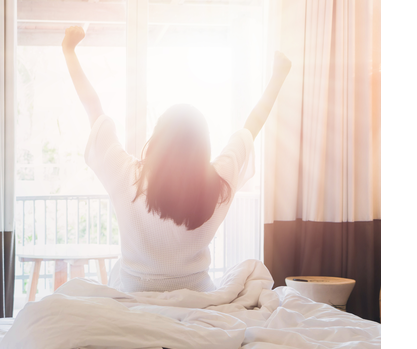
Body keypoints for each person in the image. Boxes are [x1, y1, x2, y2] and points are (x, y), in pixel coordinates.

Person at [61, 26, 291, 293]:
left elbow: (94, 110)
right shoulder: (218, 184)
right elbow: (251, 127)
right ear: (203, 147)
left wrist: (69, 52)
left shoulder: (126, 175)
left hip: (135, 293)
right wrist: (277, 77)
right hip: (198, 295)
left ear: (157, 140)